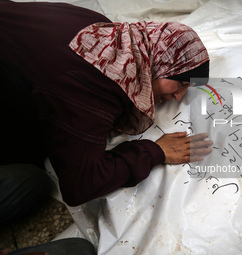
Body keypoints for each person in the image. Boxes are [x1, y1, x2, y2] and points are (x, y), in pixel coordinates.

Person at [0, 1, 211, 253]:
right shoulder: (90, 90)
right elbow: (81, 185)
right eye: (179, 83)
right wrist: (155, 152)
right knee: (38, 182)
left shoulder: (100, 27)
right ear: (158, 63)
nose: (179, 97)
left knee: (32, 172)